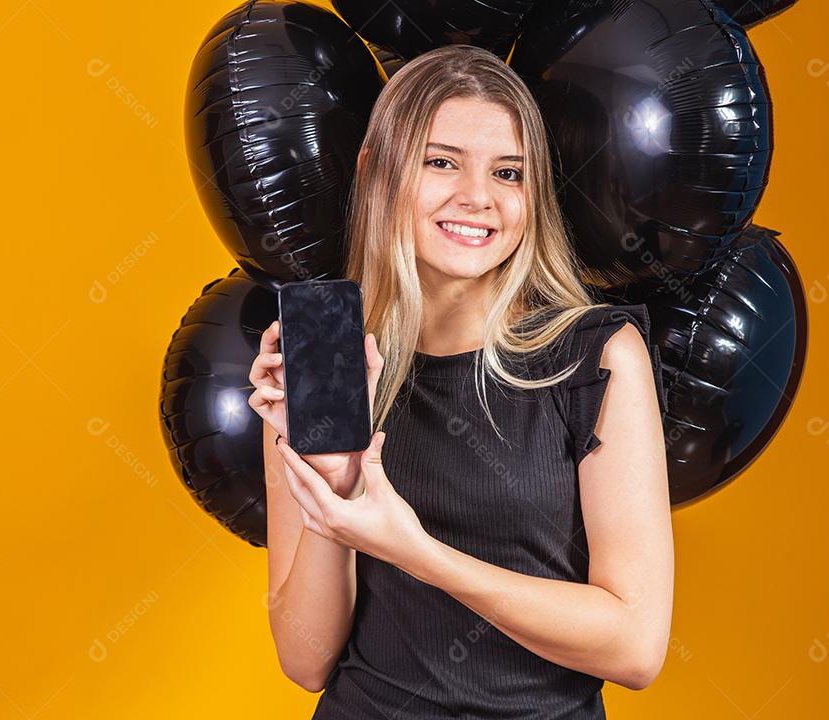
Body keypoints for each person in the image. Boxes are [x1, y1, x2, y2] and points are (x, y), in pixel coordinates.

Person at [247, 44, 672, 719]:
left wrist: (414, 551)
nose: (477, 197)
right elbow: (305, 661)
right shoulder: (328, 357)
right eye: (440, 161)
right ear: (377, 174)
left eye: (509, 172)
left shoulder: (596, 355)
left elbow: (635, 646)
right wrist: (333, 488)